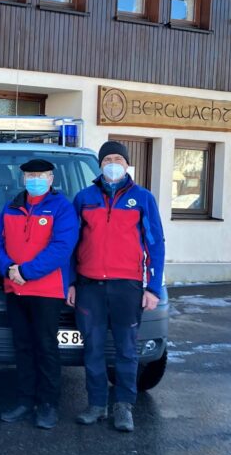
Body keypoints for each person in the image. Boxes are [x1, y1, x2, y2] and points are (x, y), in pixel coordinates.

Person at [70, 141, 165, 433]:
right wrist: (71, 282)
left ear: (126, 164)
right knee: (93, 349)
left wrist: (153, 288)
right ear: (100, 165)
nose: (113, 163)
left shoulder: (143, 198)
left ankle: (124, 406)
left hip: (128, 286)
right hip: (90, 286)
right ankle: (96, 405)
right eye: (107, 159)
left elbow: (155, 243)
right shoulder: (84, 197)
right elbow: (71, 244)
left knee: (126, 350)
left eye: (117, 159)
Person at [0, 159, 79, 430]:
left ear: (51, 179)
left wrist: (26, 272)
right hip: (15, 288)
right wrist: (7, 268)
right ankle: (24, 400)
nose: (35, 180)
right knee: (23, 347)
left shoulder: (62, 207)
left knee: (46, 348)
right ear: (24, 179)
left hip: (45, 290)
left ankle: (48, 405)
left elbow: (62, 248)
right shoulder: (11, 206)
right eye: (30, 175)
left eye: (40, 175)